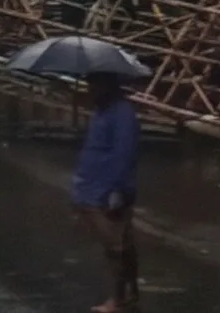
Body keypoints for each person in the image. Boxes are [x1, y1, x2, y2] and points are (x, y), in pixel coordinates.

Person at [72, 72, 141, 313]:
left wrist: (117, 190)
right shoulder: (103, 111)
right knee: (120, 245)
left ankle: (120, 299)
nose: (90, 88)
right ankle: (128, 294)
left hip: (105, 191)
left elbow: (124, 154)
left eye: (94, 83)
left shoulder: (121, 114)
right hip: (93, 187)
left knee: (116, 247)